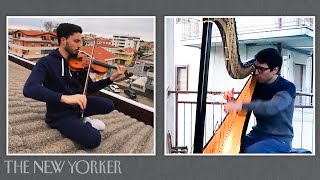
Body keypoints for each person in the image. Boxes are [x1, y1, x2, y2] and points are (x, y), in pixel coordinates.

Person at [23, 23, 126, 149]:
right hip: (59, 114)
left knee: (108, 105)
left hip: (78, 106)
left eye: (80, 41)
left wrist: (112, 78)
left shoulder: (79, 62)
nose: (79, 45)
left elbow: (90, 88)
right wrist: (65, 98)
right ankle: (86, 123)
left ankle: (81, 119)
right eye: (76, 41)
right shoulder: (46, 63)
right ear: (63, 40)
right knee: (94, 139)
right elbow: (29, 88)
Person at [223, 48, 296, 153]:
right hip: (257, 134)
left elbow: (271, 107)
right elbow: (248, 105)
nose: (256, 73)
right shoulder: (256, 85)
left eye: (261, 69)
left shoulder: (287, 87)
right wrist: (233, 101)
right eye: (256, 68)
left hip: (279, 139)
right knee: (230, 148)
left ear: (275, 70)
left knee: (250, 153)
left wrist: (240, 105)